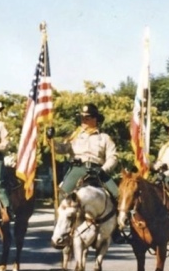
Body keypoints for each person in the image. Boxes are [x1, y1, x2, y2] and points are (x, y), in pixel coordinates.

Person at [46, 103, 124, 243]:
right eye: (82, 118)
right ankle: (59, 227)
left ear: (95, 119)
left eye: (87, 118)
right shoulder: (74, 135)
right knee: (62, 193)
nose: (84, 120)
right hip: (77, 168)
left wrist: (104, 169)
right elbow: (62, 149)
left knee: (117, 194)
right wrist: (50, 139)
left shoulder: (104, 137)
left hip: (98, 169)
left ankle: (116, 229)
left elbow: (113, 157)